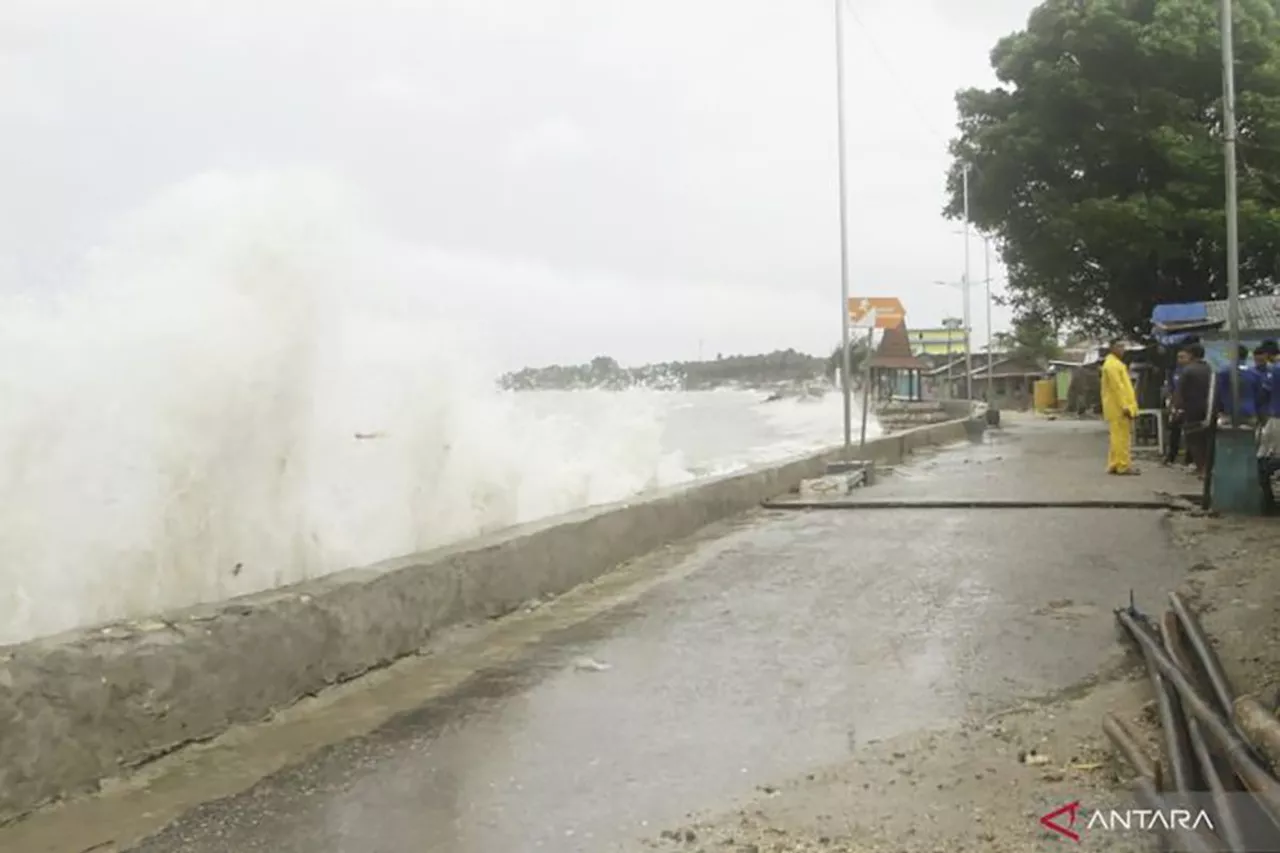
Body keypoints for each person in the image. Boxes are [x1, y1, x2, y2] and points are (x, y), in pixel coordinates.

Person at [1101, 340, 1140, 475]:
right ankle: (1123, 465)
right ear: (1111, 348)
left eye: (1123, 346)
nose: (1122, 349)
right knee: (1121, 438)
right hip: (1119, 407)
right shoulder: (1112, 365)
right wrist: (1125, 406)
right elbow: (1117, 387)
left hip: (1117, 406)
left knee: (1117, 437)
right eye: (1119, 346)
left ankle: (1114, 464)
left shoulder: (1115, 364)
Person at [1178, 343, 1213, 478]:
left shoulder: (1188, 370)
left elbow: (1180, 392)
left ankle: (1201, 469)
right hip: (1208, 408)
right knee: (1206, 439)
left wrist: (1177, 409)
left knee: (1193, 439)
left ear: (1191, 355)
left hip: (1191, 408)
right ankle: (1207, 469)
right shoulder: (1208, 368)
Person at [1164, 348, 1190, 466]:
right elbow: (1171, 388)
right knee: (1174, 431)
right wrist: (1171, 402)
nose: (1180, 360)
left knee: (1189, 432)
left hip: (1189, 405)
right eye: (1178, 357)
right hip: (1176, 404)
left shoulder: (1190, 371)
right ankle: (1171, 457)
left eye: (1182, 357)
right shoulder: (1174, 371)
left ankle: (1189, 459)